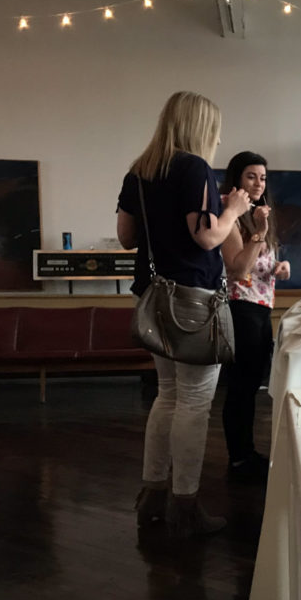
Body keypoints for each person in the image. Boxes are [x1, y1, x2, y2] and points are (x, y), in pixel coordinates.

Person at [117, 91, 251, 538]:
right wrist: (233, 209)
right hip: (194, 299)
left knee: (168, 396)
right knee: (193, 401)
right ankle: (185, 506)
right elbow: (208, 238)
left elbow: (125, 237)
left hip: (154, 297)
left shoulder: (140, 170)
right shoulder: (193, 167)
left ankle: (152, 494)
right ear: (201, 128)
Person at [219, 152, 291, 478]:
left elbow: (259, 268)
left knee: (251, 386)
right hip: (240, 308)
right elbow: (238, 270)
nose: (258, 183)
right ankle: (239, 460)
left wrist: (280, 268)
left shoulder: (259, 216)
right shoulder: (232, 216)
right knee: (241, 387)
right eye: (251, 176)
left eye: (262, 177)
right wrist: (259, 233)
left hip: (261, 308)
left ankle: (247, 454)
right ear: (237, 179)